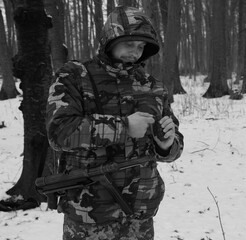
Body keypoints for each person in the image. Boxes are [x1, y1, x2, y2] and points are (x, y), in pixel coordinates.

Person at [46, 6, 184, 240]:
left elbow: (174, 147)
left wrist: (166, 144)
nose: (135, 53)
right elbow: (59, 133)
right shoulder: (75, 76)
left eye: (141, 47)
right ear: (110, 40)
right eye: (130, 44)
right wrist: (123, 127)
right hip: (90, 215)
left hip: (139, 214)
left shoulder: (152, 86)